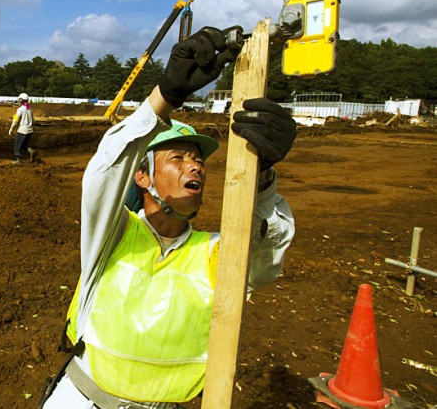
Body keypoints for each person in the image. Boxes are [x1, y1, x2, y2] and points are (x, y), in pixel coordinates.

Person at [40, 26, 298, 408]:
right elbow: (105, 170)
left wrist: (263, 178)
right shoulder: (112, 234)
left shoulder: (211, 252)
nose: (194, 167)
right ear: (142, 177)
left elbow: (264, 256)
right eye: (177, 158)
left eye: (198, 160)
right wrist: (166, 95)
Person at [9, 92, 36, 164]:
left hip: (22, 131)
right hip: (30, 131)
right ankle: (31, 151)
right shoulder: (29, 109)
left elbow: (15, 120)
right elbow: (33, 121)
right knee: (24, 145)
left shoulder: (20, 109)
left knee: (17, 146)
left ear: (21, 100)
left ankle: (19, 160)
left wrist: (11, 128)